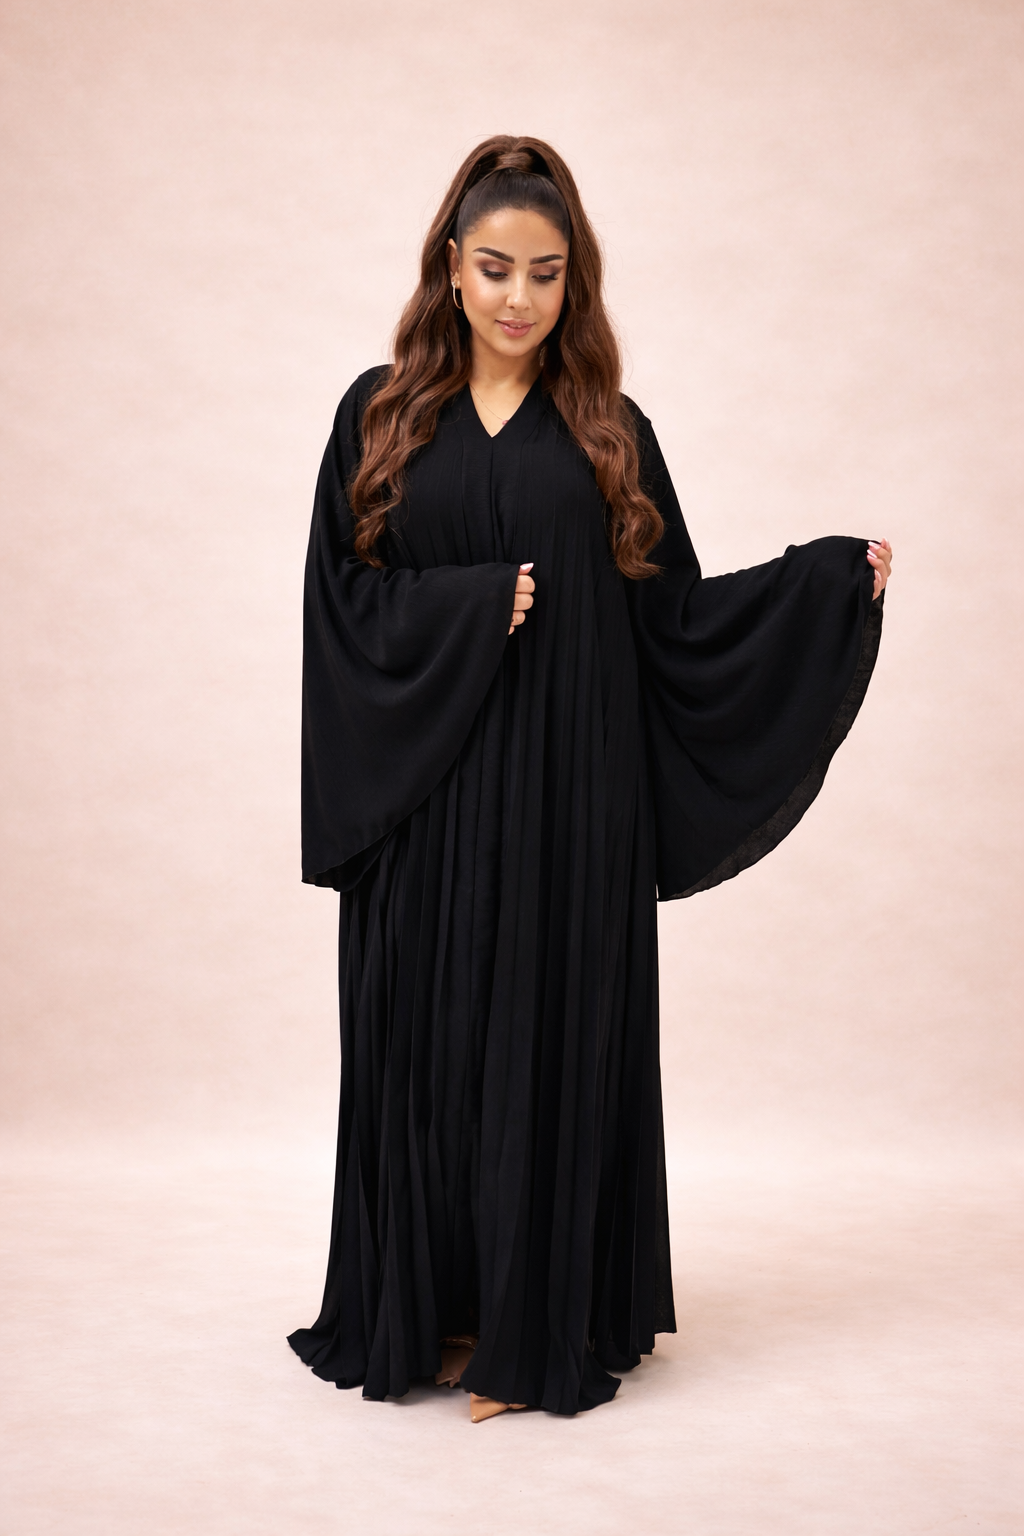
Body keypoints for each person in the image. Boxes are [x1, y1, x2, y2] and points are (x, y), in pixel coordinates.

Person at [288, 135, 892, 1423]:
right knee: (425, 1052)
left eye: (546, 273)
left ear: (576, 281)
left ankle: (534, 1326)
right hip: (426, 803)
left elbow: (671, 622)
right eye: (495, 267)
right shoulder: (378, 414)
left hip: (572, 800)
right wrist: (468, 607)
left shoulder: (610, 430)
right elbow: (337, 604)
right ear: (451, 268)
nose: (519, 297)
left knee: (545, 1050)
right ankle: (436, 1311)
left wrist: (820, 585)